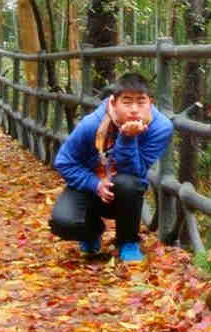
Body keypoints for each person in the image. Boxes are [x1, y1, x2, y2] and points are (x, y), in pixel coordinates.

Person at [49, 72, 173, 262]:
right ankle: (91, 232)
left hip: (125, 192)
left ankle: (128, 241)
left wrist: (127, 138)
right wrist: (95, 184)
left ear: (151, 102)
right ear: (113, 103)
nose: (134, 109)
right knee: (62, 223)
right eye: (127, 102)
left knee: (129, 183)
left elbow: (136, 173)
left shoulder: (160, 128)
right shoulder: (92, 124)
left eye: (141, 102)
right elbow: (64, 161)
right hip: (89, 187)